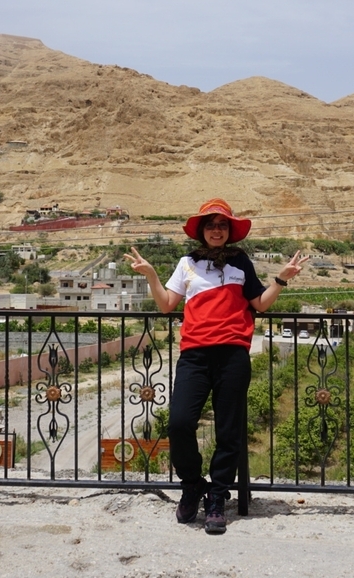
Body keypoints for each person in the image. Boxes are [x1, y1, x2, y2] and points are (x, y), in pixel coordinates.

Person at [127, 198, 307, 535]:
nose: (217, 230)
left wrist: (281, 279)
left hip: (233, 357)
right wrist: (151, 275)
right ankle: (193, 484)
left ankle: (217, 498)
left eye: (222, 225)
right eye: (211, 224)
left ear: (229, 231)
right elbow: (166, 305)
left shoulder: (241, 263)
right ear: (201, 230)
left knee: (228, 431)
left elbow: (260, 304)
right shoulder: (186, 264)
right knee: (180, 423)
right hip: (195, 355)